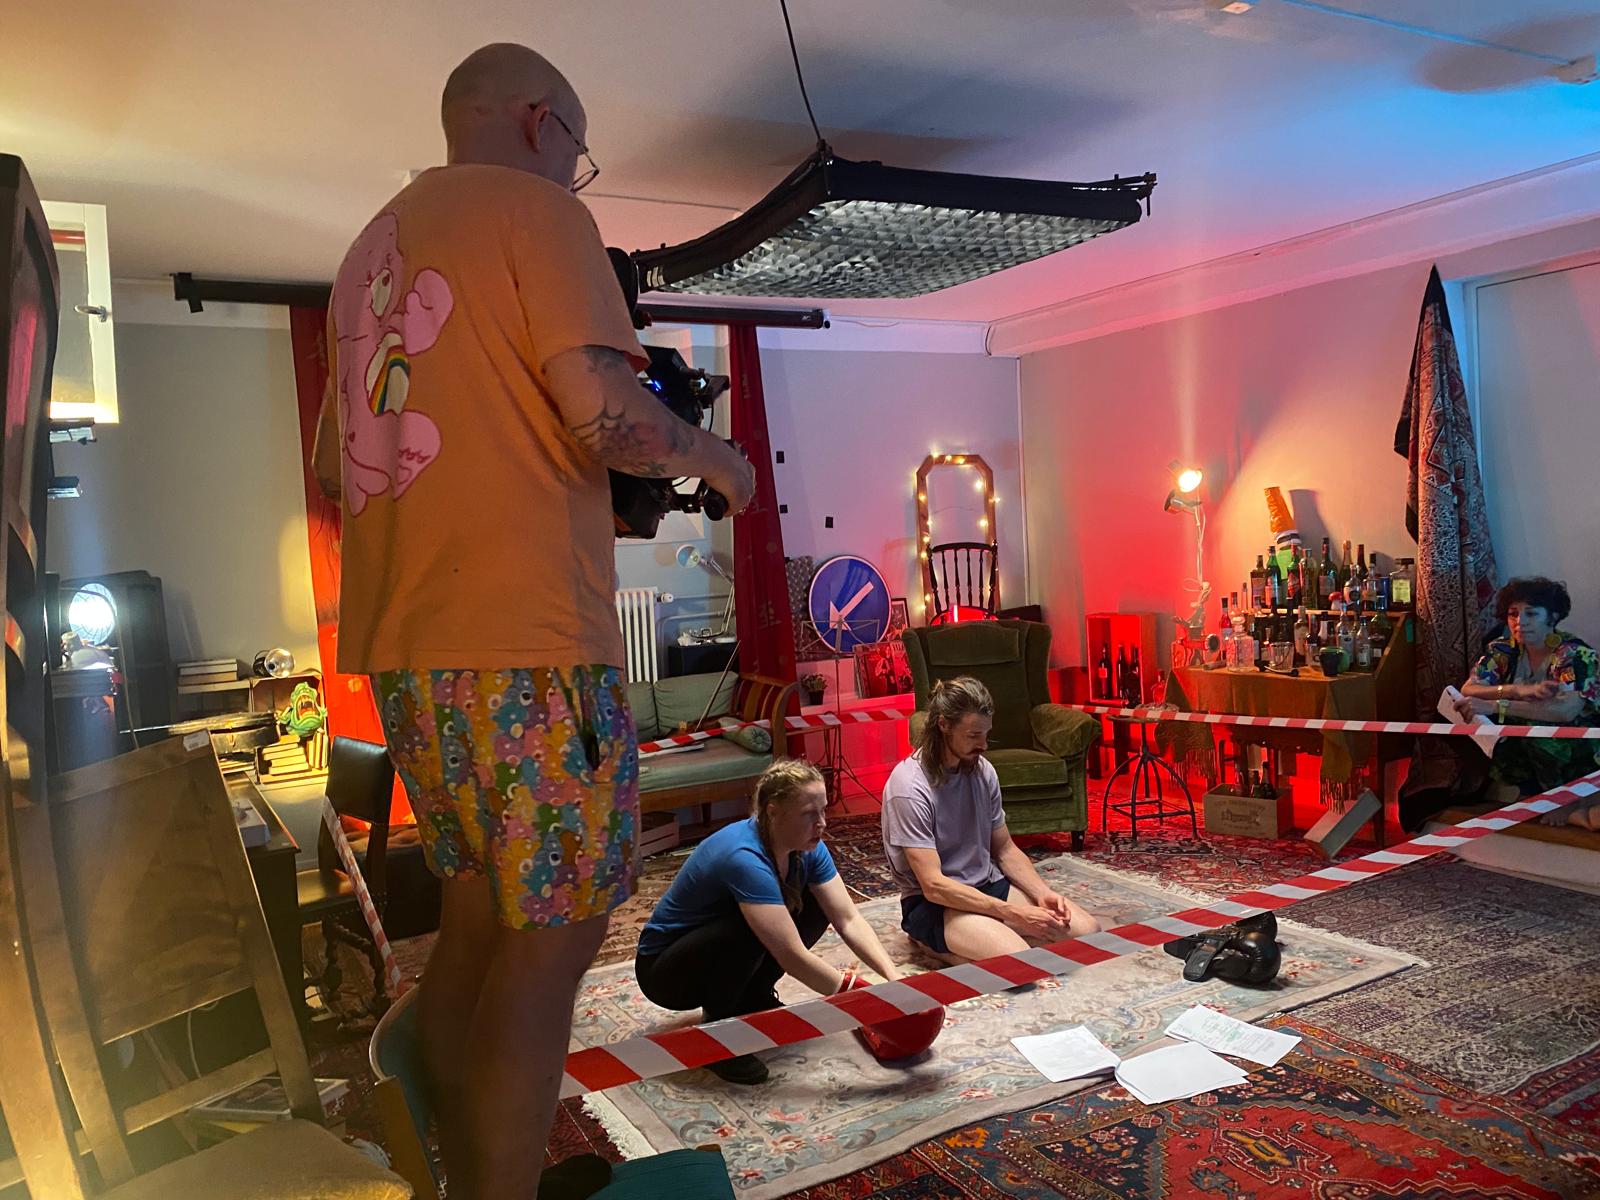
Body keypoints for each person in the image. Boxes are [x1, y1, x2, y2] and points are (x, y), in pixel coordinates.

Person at [311, 43, 754, 1200]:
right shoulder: (538, 212)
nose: (576, 170)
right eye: (579, 148)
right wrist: (722, 462)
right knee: (552, 944)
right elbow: (607, 416)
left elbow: (336, 465)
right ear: (537, 119)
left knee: (479, 917)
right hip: (526, 643)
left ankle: (454, 1158)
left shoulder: (368, 252)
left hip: (412, 649)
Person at [636, 759, 901, 1085]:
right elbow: (790, 954)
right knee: (748, 929)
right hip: (665, 972)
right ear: (773, 812)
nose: (822, 823)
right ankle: (717, 1036)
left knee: (816, 903)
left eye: (823, 810)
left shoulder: (809, 847)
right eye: (809, 814)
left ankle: (753, 995)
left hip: (712, 950)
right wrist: (863, 1001)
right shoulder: (744, 857)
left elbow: (847, 918)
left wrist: (893, 979)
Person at [882, 676, 1101, 964]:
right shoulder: (909, 788)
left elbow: (1005, 849)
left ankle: (978, 938)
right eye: (974, 735)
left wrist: (1042, 893)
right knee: (1019, 962)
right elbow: (933, 885)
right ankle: (931, 943)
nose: (984, 745)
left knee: (1090, 935)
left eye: (986, 734)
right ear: (944, 725)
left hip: (985, 884)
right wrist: (1012, 913)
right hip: (934, 902)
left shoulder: (983, 771)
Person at [1450, 576, 1600, 828]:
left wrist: (1498, 705)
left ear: (1552, 617)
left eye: (1531, 614)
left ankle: (1565, 798)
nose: (1520, 622)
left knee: (1534, 726)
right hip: (1528, 735)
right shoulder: (1504, 649)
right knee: (1459, 715)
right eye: (1513, 614)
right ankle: (1530, 791)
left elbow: (1566, 711)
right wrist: (1515, 690)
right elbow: (1469, 688)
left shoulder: (1574, 654)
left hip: (1581, 744)